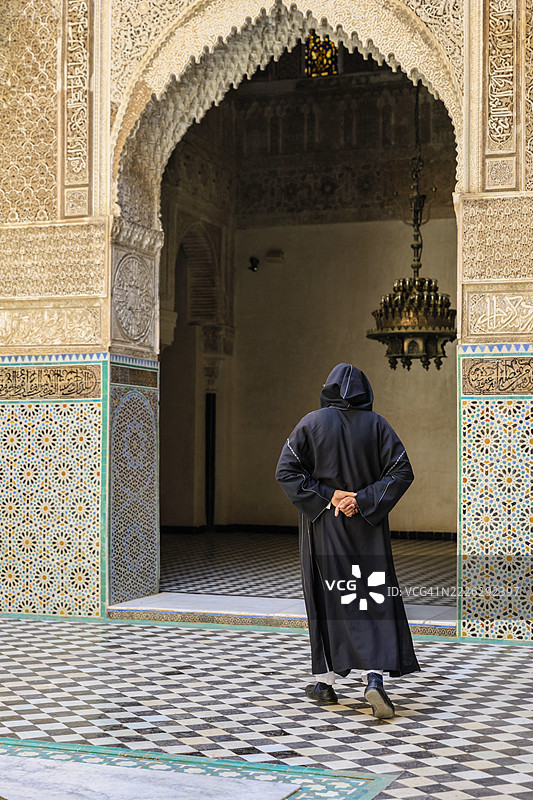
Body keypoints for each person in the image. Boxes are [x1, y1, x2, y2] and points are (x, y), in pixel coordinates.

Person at [275, 363, 420, 718]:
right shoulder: (377, 425)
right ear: (365, 393)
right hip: (367, 530)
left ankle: (325, 684)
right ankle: (374, 680)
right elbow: (402, 471)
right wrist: (363, 499)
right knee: (371, 599)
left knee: (329, 599)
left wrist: (330, 496)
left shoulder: (311, 423)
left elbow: (286, 471)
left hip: (325, 528)